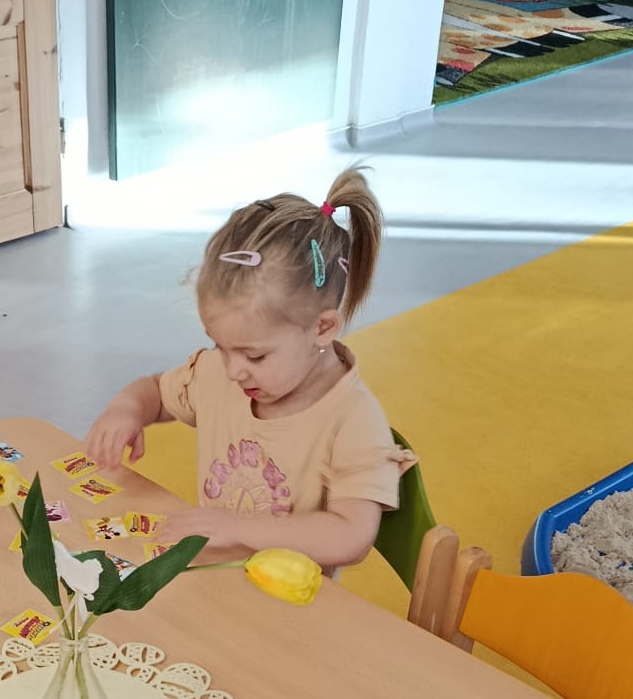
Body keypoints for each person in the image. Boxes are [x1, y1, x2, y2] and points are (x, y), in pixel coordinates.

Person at [83, 167, 412, 569]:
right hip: (208, 580)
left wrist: (237, 527)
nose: (233, 370)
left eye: (254, 356)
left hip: (286, 599)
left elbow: (350, 536)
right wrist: (127, 410)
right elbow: (155, 393)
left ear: (323, 328)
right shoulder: (220, 374)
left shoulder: (354, 419)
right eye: (219, 346)